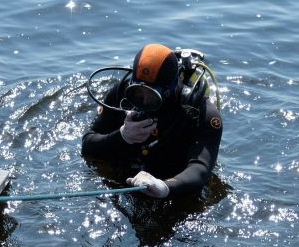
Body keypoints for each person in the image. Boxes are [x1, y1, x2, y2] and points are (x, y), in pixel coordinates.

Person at [81, 43, 223, 199]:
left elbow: (200, 170)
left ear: (169, 89)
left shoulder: (201, 114)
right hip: (125, 172)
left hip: (172, 180)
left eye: (152, 97)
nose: (143, 103)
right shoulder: (121, 92)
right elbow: (88, 144)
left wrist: (165, 187)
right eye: (137, 94)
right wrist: (122, 136)